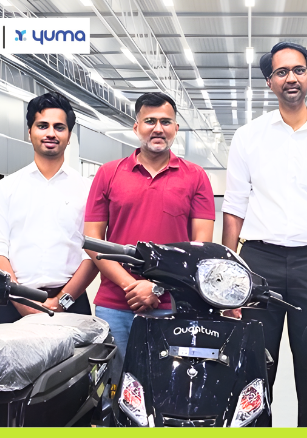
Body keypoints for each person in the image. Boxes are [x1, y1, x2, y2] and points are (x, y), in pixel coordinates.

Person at [221, 41, 307, 427]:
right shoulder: (249, 136)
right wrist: (226, 281)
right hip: (258, 264)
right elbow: (233, 209)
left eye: (298, 70)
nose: (291, 78)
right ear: (270, 82)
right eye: (281, 72)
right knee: (253, 368)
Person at [84, 92, 215, 357]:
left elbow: (201, 247)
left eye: (165, 122)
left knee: (170, 380)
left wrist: (157, 287)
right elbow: (92, 239)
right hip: (115, 304)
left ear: (176, 128)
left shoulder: (196, 176)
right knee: (114, 379)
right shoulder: (108, 173)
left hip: (174, 304)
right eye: (150, 121)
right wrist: (130, 285)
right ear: (136, 127)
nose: (158, 129)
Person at [0, 92, 98, 323]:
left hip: (72, 301)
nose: (51, 133)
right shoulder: (6, 188)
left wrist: (63, 300)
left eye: (59, 127)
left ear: (69, 135)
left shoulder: (87, 189)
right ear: (29, 132)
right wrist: (21, 300)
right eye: (42, 126)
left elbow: (92, 251)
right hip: (13, 301)